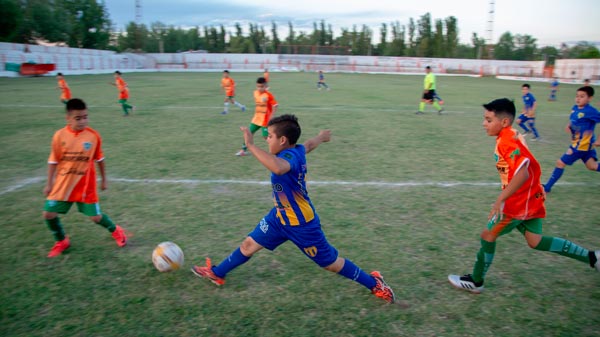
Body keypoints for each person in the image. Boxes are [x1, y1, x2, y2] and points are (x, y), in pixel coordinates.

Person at [192, 114, 396, 303]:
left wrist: (250, 146)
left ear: (282, 141)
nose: (266, 139)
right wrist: (321, 137)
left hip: (302, 224)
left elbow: (278, 167)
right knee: (248, 245)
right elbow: (308, 145)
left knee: (330, 263)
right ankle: (217, 273)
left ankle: (375, 283)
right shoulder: (297, 149)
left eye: (269, 136)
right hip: (279, 218)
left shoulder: (289, 159)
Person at [448, 98, 599, 294]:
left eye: (488, 119)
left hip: (518, 202)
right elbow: (528, 162)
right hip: (530, 198)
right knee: (535, 241)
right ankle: (593, 258)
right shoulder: (511, 135)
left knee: (488, 236)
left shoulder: (506, 140)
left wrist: (500, 199)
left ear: (503, 122)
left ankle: (476, 281)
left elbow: (523, 172)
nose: (483, 123)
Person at [42, 98, 128, 258]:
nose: (83, 121)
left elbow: (100, 159)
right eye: (78, 118)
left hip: (85, 186)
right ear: (68, 118)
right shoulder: (59, 136)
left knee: (96, 217)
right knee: (48, 214)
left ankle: (116, 230)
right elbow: (53, 160)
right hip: (63, 184)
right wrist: (49, 183)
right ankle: (61, 241)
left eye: (85, 117)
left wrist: (104, 180)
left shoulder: (93, 136)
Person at [543, 86, 600, 193]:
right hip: (585, 146)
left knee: (560, 162)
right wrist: (569, 125)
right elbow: (574, 119)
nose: (578, 98)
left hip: (580, 146)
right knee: (592, 166)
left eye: (582, 96)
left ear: (590, 98)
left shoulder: (591, 111)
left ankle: (547, 188)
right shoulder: (575, 108)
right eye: (577, 96)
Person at [235, 77, 277, 156]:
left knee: (266, 137)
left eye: (262, 87)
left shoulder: (268, 95)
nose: (260, 88)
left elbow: (275, 105)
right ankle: (243, 150)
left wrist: (272, 116)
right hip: (256, 118)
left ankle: (277, 150)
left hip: (265, 119)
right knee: (248, 133)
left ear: (265, 86)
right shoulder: (255, 93)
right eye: (258, 86)